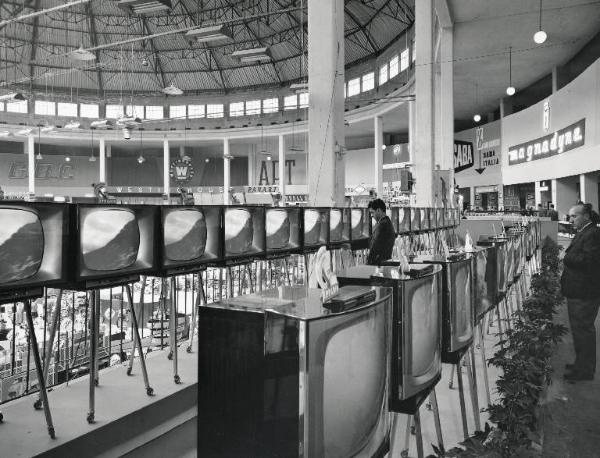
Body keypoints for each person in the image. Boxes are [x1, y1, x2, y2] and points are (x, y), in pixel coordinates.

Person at [561, 203, 600, 381]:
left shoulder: (592, 234)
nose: (570, 220)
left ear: (585, 216)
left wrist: (567, 257)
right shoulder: (585, 231)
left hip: (584, 293)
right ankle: (581, 364)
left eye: (574, 216)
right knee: (580, 331)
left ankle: (584, 370)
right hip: (579, 291)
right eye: (570, 216)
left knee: (583, 331)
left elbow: (590, 261)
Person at [366, 199, 396, 265]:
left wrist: (368, 264)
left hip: (378, 265)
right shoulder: (387, 222)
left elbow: (375, 247)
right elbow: (371, 241)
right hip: (384, 263)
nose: (371, 215)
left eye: (372, 212)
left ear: (379, 210)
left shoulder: (383, 224)